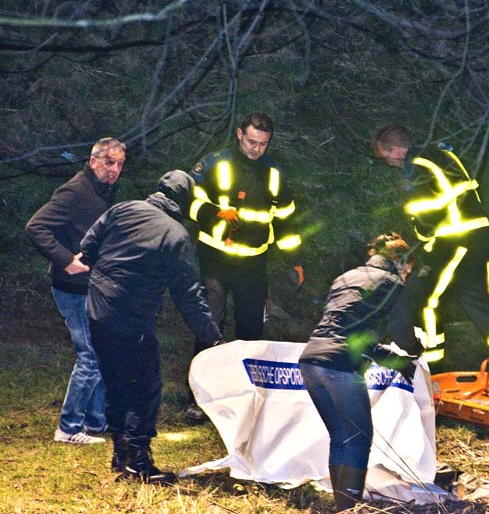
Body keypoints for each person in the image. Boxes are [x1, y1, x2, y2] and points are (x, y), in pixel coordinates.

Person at [81, 170, 224, 484]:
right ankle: (138, 462)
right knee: (145, 387)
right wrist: (213, 340)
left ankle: (120, 453)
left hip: (97, 309)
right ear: (184, 201)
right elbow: (189, 296)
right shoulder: (175, 235)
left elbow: (87, 247)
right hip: (132, 317)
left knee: (116, 381)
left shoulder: (122, 208)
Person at [372, 125, 489, 379]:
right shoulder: (441, 155)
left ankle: (431, 372)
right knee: (484, 305)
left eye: (386, 156)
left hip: (453, 240)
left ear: (396, 150)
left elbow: (428, 213)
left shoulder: (419, 166)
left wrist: (424, 242)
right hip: (479, 239)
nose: (388, 163)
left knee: (423, 299)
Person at [185, 112, 303, 421]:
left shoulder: (274, 173)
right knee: (210, 328)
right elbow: (188, 197)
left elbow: (286, 220)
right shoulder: (215, 163)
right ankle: (199, 399)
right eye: (251, 141)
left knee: (251, 330)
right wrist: (213, 214)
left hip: (253, 263)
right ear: (239, 134)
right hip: (215, 260)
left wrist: (294, 260)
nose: (256, 149)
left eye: (263, 144)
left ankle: (249, 398)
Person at [298, 232, 421, 512]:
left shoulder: (346, 277)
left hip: (311, 361)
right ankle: (352, 507)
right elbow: (401, 330)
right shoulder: (391, 283)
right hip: (339, 367)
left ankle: (342, 506)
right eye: (409, 271)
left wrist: (392, 360)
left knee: (341, 436)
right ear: (401, 263)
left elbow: (349, 330)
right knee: (359, 439)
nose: (407, 278)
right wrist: (414, 350)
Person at [25, 137, 126, 445]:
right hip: (72, 289)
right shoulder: (75, 191)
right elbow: (35, 227)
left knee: (101, 351)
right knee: (90, 356)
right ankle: (68, 428)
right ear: (94, 161)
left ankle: (96, 421)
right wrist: (65, 259)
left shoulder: (103, 190)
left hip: (92, 286)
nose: (115, 170)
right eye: (109, 163)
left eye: (120, 164)